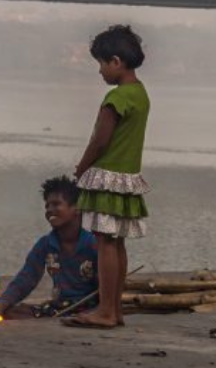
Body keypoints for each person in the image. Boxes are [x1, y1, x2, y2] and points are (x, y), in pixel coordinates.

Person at [64, 25, 150, 330]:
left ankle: (105, 311)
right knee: (118, 243)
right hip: (127, 177)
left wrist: (81, 168)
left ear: (116, 61)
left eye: (101, 64)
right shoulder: (141, 95)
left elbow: (100, 141)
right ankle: (115, 310)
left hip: (106, 178)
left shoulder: (117, 97)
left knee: (105, 245)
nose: (100, 71)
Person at [0, 176, 98, 319]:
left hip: (89, 306)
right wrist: (1, 303)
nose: (50, 210)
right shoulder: (45, 244)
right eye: (47, 206)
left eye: (56, 204)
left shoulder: (93, 243)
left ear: (76, 208)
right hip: (59, 306)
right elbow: (27, 278)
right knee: (11, 312)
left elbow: (105, 283)